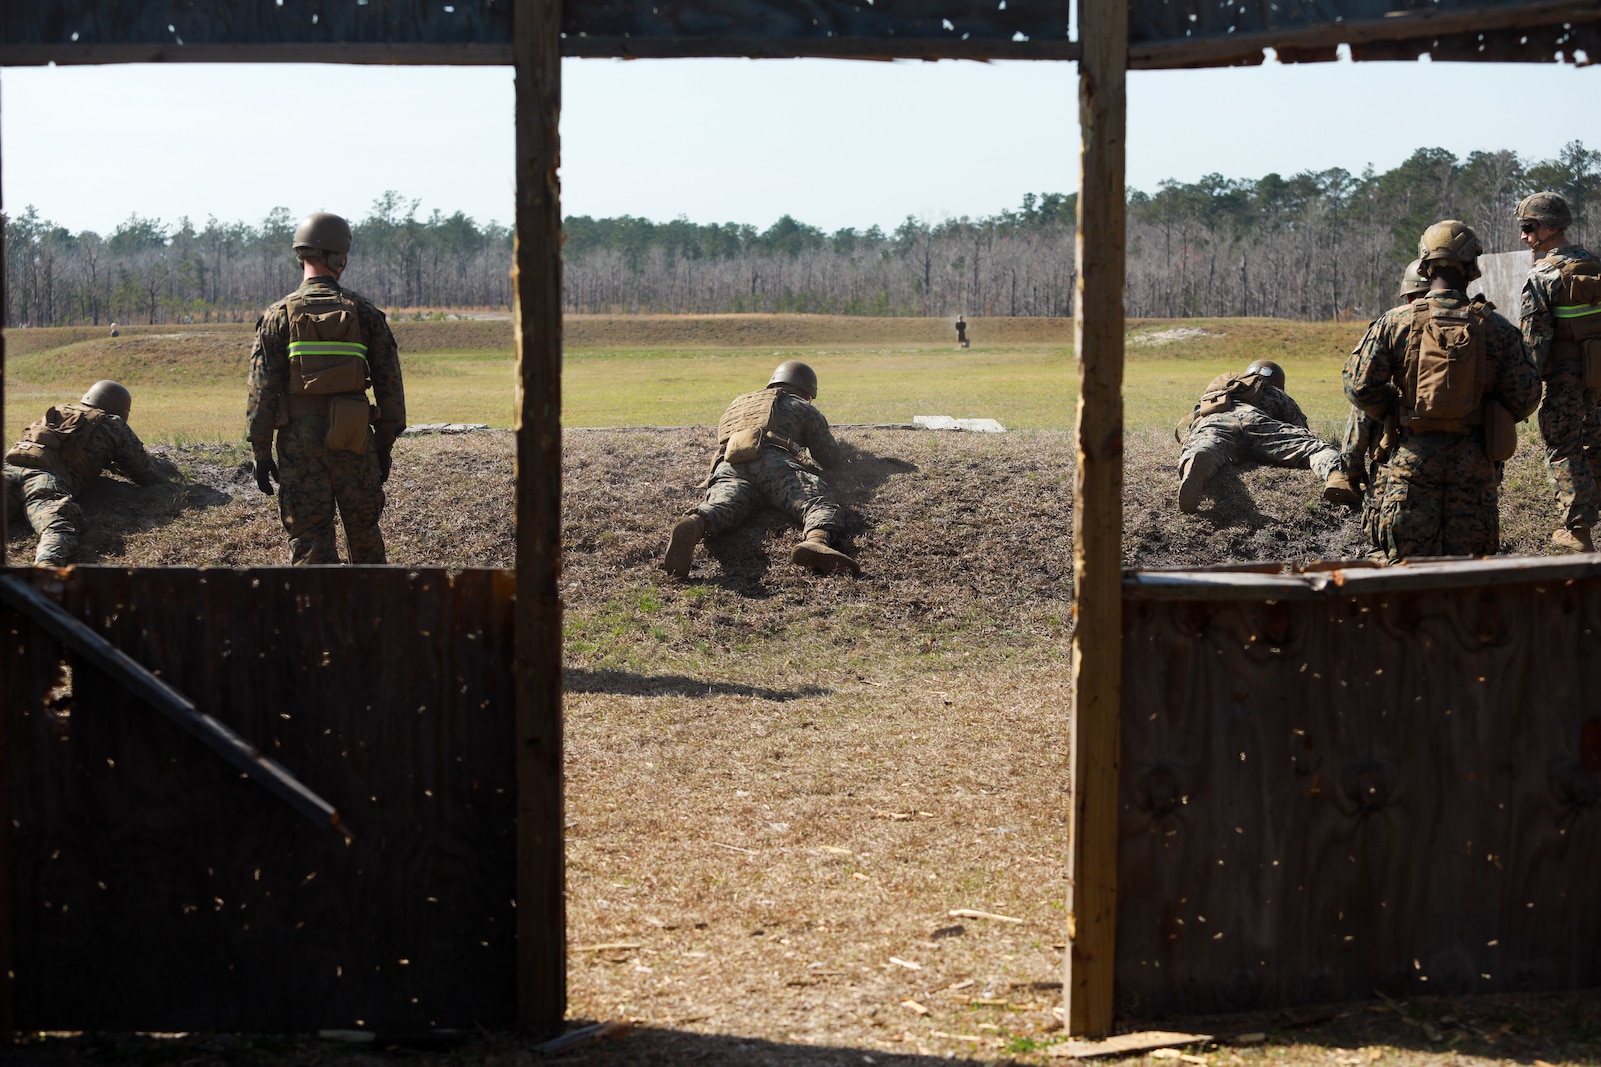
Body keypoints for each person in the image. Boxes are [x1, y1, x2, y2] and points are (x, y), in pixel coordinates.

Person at [1344, 220, 1540, 564]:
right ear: (1471, 266)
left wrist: (1396, 408)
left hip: (1410, 460)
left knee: (1406, 567)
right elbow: (1526, 395)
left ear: (1425, 262)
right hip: (1475, 462)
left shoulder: (1395, 322)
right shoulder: (1497, 328)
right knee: (1470, 573)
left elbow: (1359, 385)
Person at [245, 212, 405, 564]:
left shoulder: (278, 315)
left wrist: (260, 451)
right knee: (364, 538)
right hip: (354, 440)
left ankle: (313, 616)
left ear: (301, 255)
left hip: (298, 447)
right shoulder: (364, 313)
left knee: (308, 544)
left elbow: (261, 391)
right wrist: (383, 445)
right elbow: (391, 391)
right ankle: (374, 616)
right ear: (340, 257)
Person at [662, 360, 859, 578]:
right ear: (806, 391)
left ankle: (695, 523)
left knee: (726, 503)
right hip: (773, 462)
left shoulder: (739, 403)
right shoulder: (799, 405)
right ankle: (816, 541)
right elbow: (829, 456)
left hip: (730, 463)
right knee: (817, 501)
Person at [4, 380, 171, 565]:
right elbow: (145, 474)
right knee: (59, 525)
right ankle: (46, 568)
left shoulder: (61, 411)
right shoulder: (112, 424)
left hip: (10, 468)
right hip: (43, 480)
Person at [1516, 191, 1601, 552]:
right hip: (1597, 375)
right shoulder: (1595, 265)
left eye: (1528, 228)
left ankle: (1577, 530)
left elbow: (1533, 344)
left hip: (1565, 380)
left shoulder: (1542, 275)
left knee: (1562, 447)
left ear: (1549, 228)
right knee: (1593, 443)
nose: (1524, 236)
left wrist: (1519, 393)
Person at [1176, 358, 1359, 514]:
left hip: (1213, 423)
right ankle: (1337, 476)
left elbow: (1192, 427)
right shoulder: (1273, 391)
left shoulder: (1221, 391)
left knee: (1206, 446)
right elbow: (1300, 427)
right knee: (1313, 447)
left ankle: (1197, 463)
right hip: (1255, 422)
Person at [1341, 259, 1432, 547]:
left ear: (1408, 295)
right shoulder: (1485, 321)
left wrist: (1352, 468)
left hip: (1402, 465)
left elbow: (1361, 391)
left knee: (1391, 556)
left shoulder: (1393, 322)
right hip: (1473, 472)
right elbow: (1523, 396)